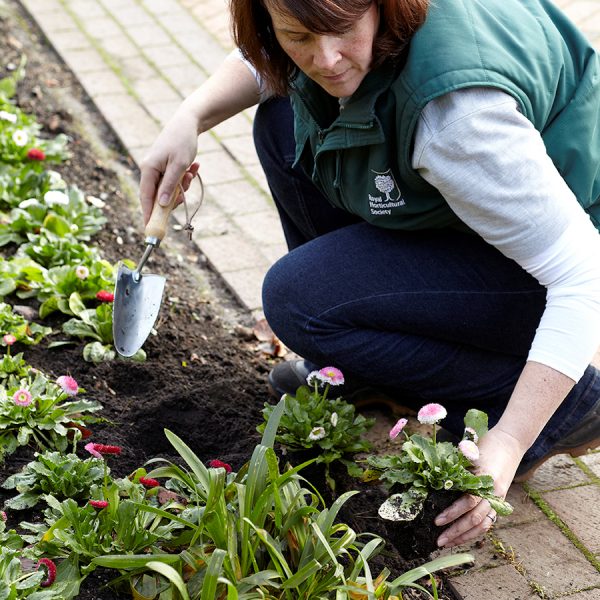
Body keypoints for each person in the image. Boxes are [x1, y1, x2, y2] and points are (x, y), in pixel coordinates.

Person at [139, 0, 600, 550]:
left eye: (341, 32)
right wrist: (189, 118)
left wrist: (510, 437)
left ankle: (568, 408)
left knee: (299, 299)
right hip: (493, 209)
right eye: (298, 35)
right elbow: (268, 54)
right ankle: (359, 363)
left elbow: (582, 273)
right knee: (285, 121)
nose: (326, 58)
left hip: (553, 259)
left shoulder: (457, 120)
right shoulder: (341, 34)